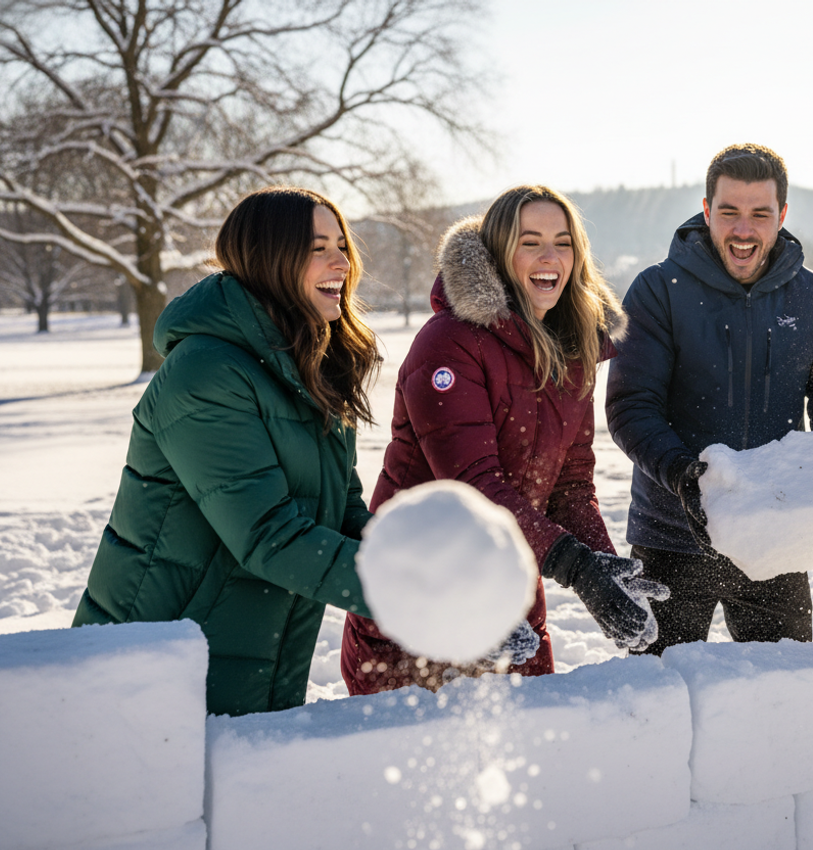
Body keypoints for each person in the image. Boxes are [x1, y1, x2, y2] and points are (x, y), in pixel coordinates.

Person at [341, 185, 668, 695]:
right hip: (421, 591)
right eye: (529, 241)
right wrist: (576, 567)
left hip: (511, 594)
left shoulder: (573, 346)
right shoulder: (448, 343)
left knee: (527, 762)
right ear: (497, 254)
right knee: (413, 766)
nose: (548, 256)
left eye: (563, 242)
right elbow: (474, 485)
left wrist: (603, 565)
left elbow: (571, 485)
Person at [73, 186, 381, 717]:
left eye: (341, 245)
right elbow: (270, 536)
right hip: (152, 661)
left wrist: (432, 568)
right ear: (268, 260)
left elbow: (341, 509)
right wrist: (414, 598)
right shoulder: (206, 372)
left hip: (247, 647)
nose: (342, 262)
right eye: (316, 247)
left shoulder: (310, 366)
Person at [605, 143, 813, 656]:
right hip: (672, 538)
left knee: (786, 702)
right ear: (707, 211)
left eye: (759, 214)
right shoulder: (658, 291)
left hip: (780, 534)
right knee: (654, 706)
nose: (743, 229)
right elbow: (631, 406)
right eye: (728, 212)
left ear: (782, 216)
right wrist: (685, 477)